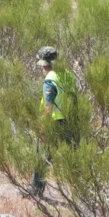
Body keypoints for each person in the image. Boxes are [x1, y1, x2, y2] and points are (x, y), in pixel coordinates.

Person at [31, 46, 78, 195]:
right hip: (70, 122)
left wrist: (43, 129)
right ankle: (80, 193)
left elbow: (48, 107)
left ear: (44, 64)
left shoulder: (50, 79)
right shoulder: (68, 75)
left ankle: (37, 190)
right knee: (74, 158)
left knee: (42, 157)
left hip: (54, 122)